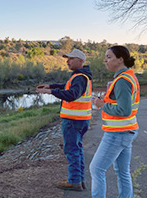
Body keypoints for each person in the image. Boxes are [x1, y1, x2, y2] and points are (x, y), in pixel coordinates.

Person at [36, 49, 92, 191]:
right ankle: (79, 180)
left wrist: (51, 92)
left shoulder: (79, 77)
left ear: (80, 61)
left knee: (72, 150)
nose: (67, 61)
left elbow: (72, 93)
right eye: (67, 59)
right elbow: (67, 86)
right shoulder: (81, 76)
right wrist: (52, 86)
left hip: (73, 120)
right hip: (80, 119)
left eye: (71, 59)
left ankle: (74, 181)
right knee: (77, 150)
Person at [90, 46, 140, 198]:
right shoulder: (127, 76)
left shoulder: (122, 81)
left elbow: (124, 110)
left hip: (118, 133)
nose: (105, 60)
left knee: (96, 169)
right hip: (127, 130)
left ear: (120, 59)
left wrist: (101, 105)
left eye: (109, 57)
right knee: (122, 172)